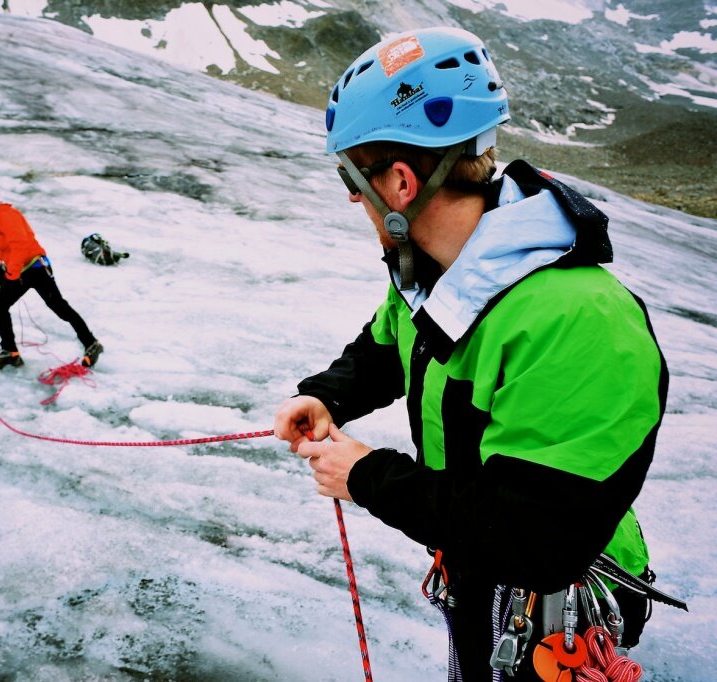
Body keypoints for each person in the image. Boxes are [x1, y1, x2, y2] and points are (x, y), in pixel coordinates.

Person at [272, 27, 667, 680]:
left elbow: (534, 536)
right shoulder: (437, 274)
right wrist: (326, 393)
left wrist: (366, 476)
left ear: (399, 183)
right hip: (479, 565)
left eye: (353, 177)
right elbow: (386, 345)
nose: (350, 197)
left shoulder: (581, 321)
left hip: (559, 595)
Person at [0, 184, 103, 370]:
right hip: (21, 271)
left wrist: (11, 273)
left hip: (35, 267)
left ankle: (92, 344)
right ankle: (10, 352)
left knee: (58, 306)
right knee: (0, 306)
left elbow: (20, 244)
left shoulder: (2, 214)